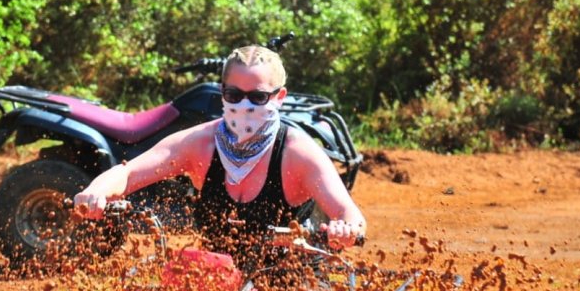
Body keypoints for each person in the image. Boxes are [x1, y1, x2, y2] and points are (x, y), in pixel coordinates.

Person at [73, 45, 366, 267]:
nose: (245, 104)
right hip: (217, 281)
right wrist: (96, 190)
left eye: (258, 97)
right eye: (234, 95)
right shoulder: (199, 144)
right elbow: (127, 173)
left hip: (293, 289)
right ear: (222, 93)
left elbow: (350, 215)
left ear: (279, 97)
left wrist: (346, 228)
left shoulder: (298, 153)